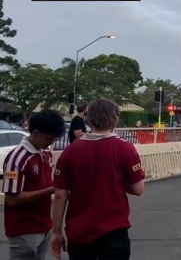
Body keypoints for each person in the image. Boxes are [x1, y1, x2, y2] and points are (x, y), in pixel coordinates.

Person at [50, 99, 145, 260]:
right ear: (115, 119)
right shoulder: (125, 148)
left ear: (88, 119)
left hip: (79, 233)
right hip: (113, 232)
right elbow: (138, 189)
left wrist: (56, 232)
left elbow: (60, 194)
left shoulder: (71, 151)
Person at [2, 110, 65, 260]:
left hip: (43, 225)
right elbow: (12, 199)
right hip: (23, 230)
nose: (52, 142)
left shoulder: (44, 152)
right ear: (36, 133)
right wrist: (50, 190)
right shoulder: (17, 158)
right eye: (49, 138)